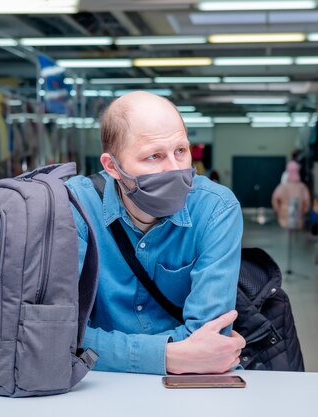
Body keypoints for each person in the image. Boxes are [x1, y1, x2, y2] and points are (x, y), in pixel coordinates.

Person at [65, 91, 245, 375]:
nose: (174, 169)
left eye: (181, 151)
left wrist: (100, 348)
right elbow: (59, 336)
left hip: (184, 389)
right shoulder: (75, 206)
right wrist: (169, 356)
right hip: (93, 389)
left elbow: (211, 343)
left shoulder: (216, 209)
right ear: (112, 166)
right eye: (154, 156)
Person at [271, 160, 311, 229]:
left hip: (284, 217)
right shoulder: (302, 187)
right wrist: (304, 211)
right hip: (298, 216)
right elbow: (307, 201)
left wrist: (277, 210)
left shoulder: (282, 187)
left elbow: (275, 199)